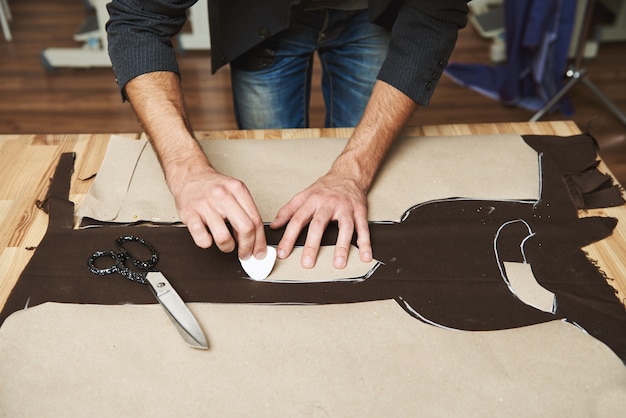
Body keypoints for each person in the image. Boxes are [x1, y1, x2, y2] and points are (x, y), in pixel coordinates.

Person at [106, 0, 469, 270]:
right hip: (259, 13)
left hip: (371, 13)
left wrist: (352, 173)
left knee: (354, 178)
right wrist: (186, 169)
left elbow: (435, 14)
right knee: (272, 174)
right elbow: (139, 20)